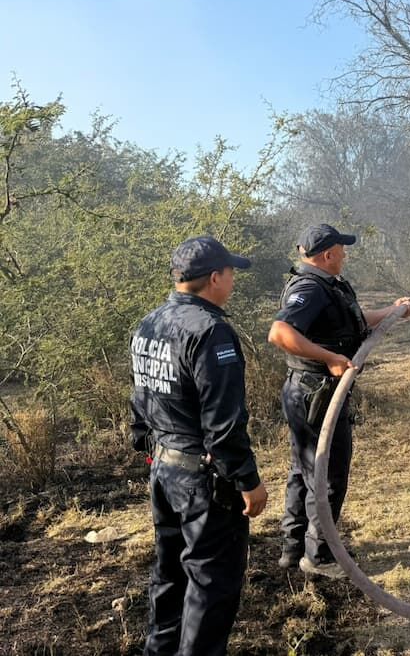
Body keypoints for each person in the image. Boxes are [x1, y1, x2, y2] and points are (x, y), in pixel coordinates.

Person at [130, 235, 268, 656]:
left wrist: (149, 447)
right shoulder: (212, 331)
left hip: (164, 471)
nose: (233, 282)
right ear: (214, 278)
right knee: (210, 588)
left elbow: (141, 397)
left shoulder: (149, 323)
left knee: (170, 574)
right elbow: (224, 424)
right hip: (203, 483)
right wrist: (247, 481)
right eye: (231, 274)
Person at [267, 223, 410, 578]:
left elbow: (355, 321)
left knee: (304, 469)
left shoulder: (326, 286)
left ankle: (293, 547)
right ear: (327, 254)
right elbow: (280, 332)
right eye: (341, 250)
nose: (346, 254)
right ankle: (320, 556)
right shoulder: (309, 288)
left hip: (310, 390)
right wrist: (329, 358)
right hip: (315, 393)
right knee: (327, 474)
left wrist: (393, 311)